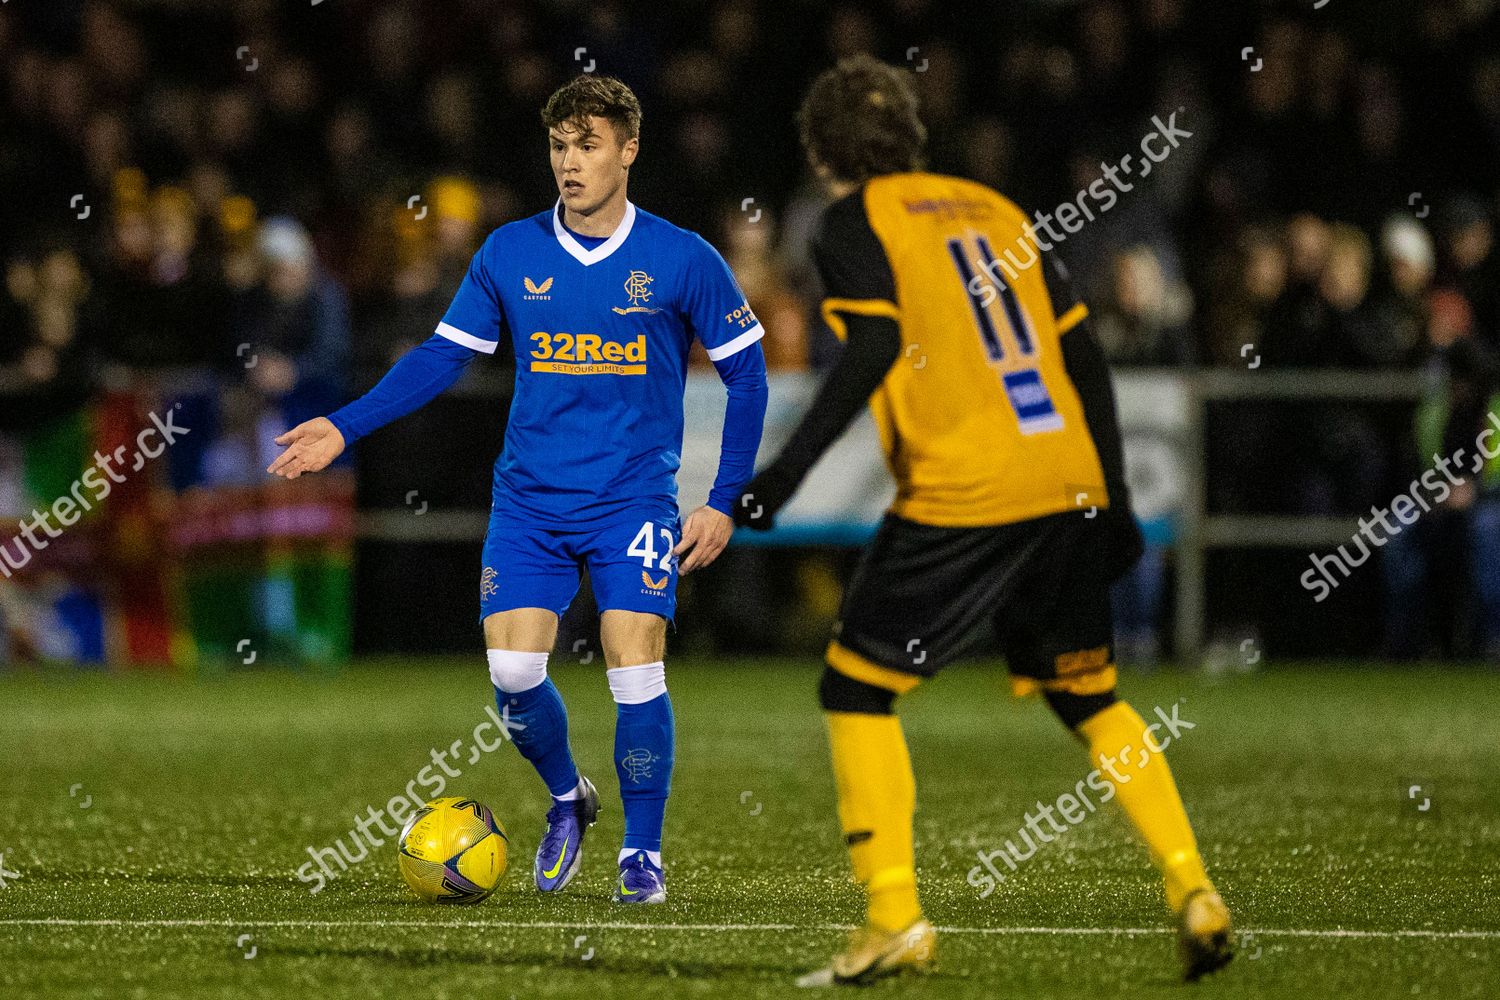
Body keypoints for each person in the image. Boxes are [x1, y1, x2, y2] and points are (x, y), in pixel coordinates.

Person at [736, 56, 1230, 986]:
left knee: (855, 688)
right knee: (1090, 699)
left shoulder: (852, 221)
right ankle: (1194, 890)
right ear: (914, 136)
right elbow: (1081, 357)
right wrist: (1113, 494)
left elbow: (874, 343)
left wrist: (784, 475)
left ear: (821, 150)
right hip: (1064, 475)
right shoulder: (995, 208)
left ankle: (893, 920)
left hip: (969, 488)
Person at [267, 74, 768, 905]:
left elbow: (748, 381)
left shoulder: (683, 258)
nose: (570, 163)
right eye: (559, 147)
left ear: (629, 151)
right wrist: (344, 426)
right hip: (530, 503)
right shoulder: (511, 251)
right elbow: (439, 357)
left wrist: (722, 500)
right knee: (512, 673)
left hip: (632, 500)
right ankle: (570, 799)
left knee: (634, 658)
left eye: (589, 145)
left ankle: (641, 855)